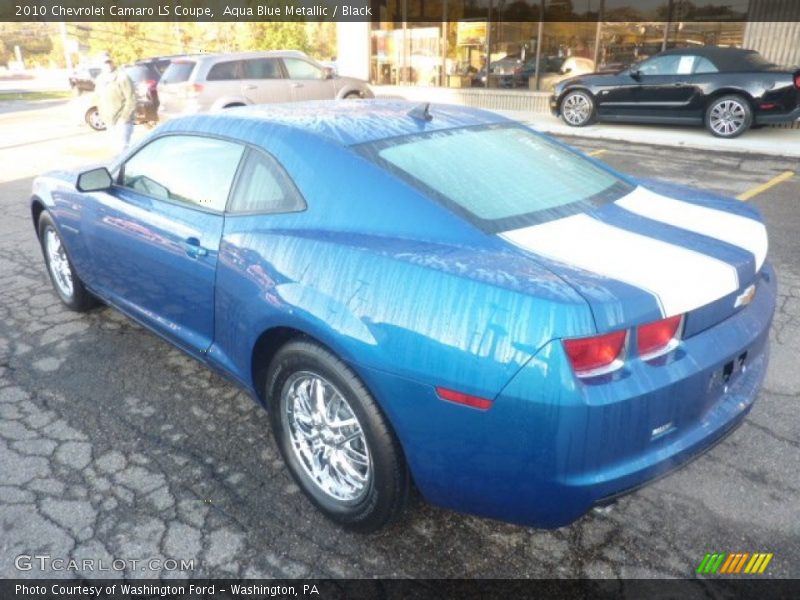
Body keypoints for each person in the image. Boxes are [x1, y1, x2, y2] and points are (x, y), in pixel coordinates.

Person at [94, 54, 136, 154]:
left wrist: (124, 118)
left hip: (122, 121)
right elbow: (98, 98)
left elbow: (131, 99)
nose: (107, 65)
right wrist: (102, 116)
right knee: (115, 151)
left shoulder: (122, 77)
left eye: (109, 62)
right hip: (109, 122)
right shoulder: (100, 79)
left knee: (123, 150)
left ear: (112, 62)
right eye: (105, 63)